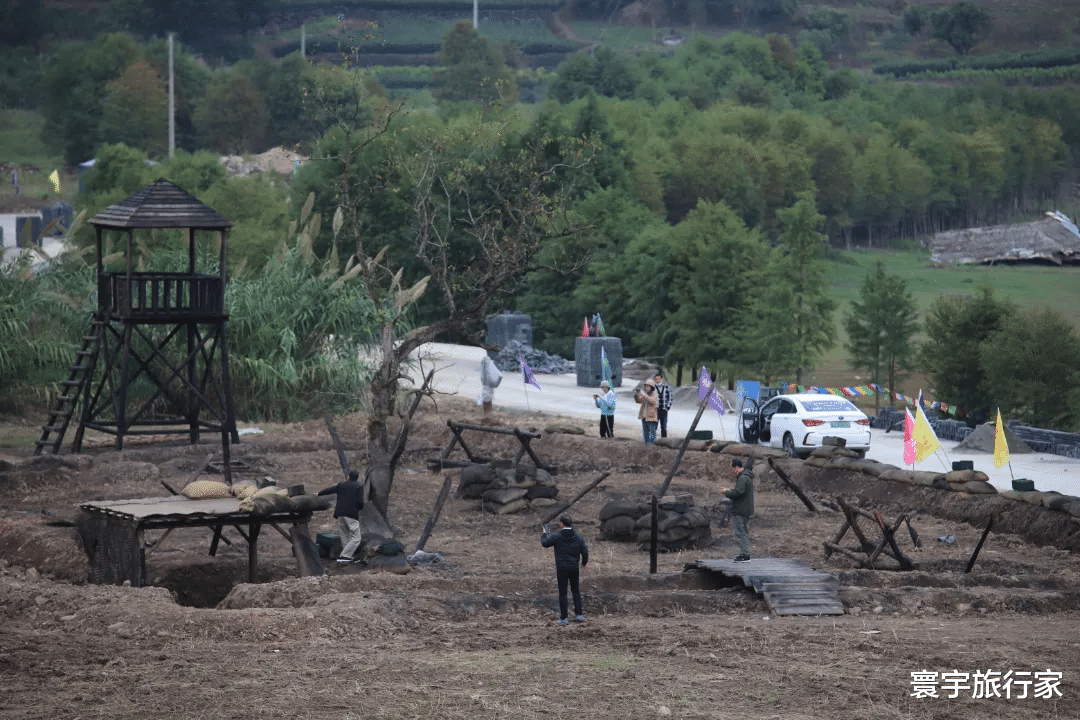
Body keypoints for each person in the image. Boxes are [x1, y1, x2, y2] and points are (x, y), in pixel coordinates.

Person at [541, 515, 590, 625]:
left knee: (563, 593)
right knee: (575, 590)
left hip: (562, 568)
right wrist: (584, 563)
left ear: (562, 524)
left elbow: (545, 543)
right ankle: (579, 615)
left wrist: (544, 533)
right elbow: (585, 551)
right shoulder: (578, 536)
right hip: (574, 567)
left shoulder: (557, 536)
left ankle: (564, 618)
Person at [318, 469, 366, 563]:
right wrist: (359, 508)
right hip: (351, 515)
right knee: (356, 538)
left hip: (340, 514)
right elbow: (360, 502)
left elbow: (330, 490)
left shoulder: (341, 485)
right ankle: (344, 556)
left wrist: (319, 493)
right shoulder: (359, 486)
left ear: (349, 477)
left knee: (345, 536)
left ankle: (347, 557)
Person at [721, 457, 755, 562]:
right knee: (743, 531)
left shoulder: (742, 478)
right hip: (745, 508)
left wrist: (726, 492)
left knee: (740, 532)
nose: (731, 470)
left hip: (740, 509)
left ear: (736, 467)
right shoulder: (746, 477)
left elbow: (738, 493)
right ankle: (744, 553)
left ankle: (745, 555)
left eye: (732, 468)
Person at [653, 371, 673, 438]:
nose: (657, 380)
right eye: (656, 379)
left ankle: (664, 440)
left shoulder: (667, 387)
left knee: (663, 426)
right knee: (654, 425)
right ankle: (652, 439)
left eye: (659, 379)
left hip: (664, 410)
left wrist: (668, 407)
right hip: (656, 410)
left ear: (662, 379)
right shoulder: (653, 388)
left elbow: (670, 397)